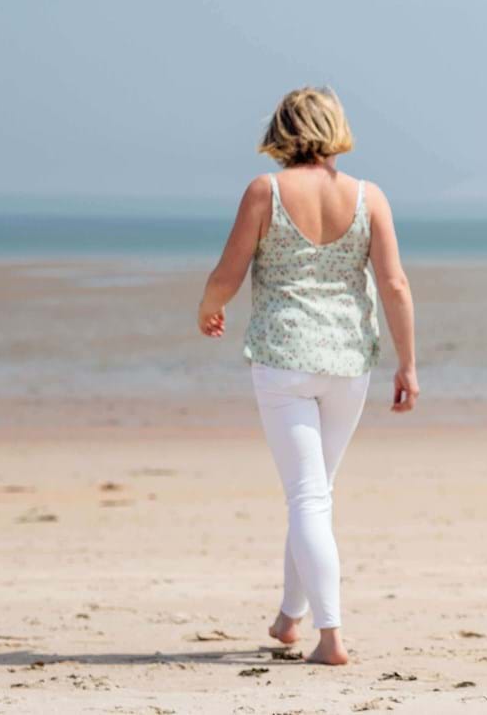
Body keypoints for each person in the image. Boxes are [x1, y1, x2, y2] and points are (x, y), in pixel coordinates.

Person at [196, 87, 421, 665]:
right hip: (349, 363)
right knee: (314, 495)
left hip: (284, 360)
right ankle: (290, 617)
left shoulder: (264, 191)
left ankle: (331, 636)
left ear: (281, 131)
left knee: (307, 496)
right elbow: (395, 285)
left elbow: (228, 270)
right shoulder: (369, 197)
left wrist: (207, 307)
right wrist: (408, 363)